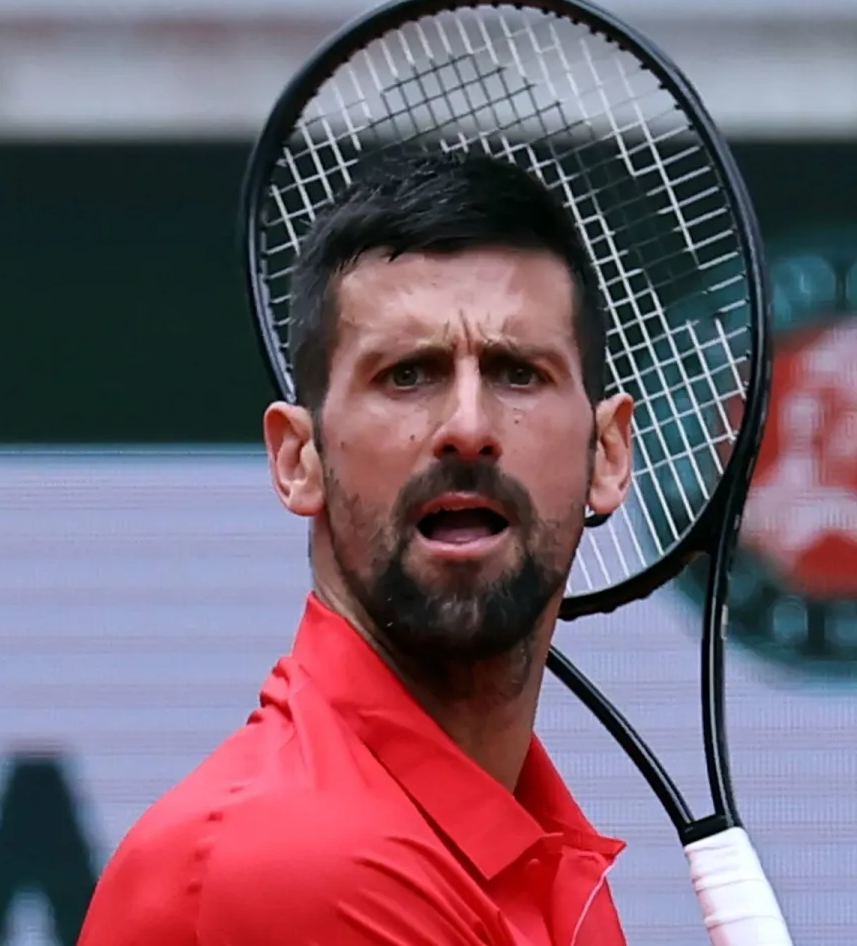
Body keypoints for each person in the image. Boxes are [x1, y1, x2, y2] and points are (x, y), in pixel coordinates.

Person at [76, 151, 637, 945]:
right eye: (408, 374)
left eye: (518, 372)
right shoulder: (293, 867)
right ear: (299, 460)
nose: (468, 429)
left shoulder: (538, 849)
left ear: (608, 455)